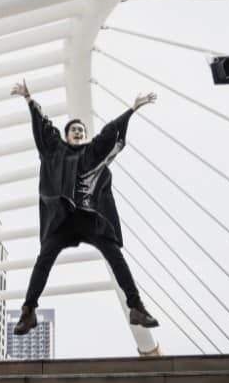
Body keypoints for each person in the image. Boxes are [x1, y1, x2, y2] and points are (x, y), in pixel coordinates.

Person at [10, 79, 159, 335]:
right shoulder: (55, 150)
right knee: (44, 259)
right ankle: (28, 311)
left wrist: (132, 109)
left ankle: (136, 307)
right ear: (67, 135)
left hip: (90, 218)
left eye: (81, 130)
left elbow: (110, 132)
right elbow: (43, 127)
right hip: (62, 219)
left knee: (115, 256)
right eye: (74, 130)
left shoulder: (92, 153)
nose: (78, 132)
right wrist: (29, 98)